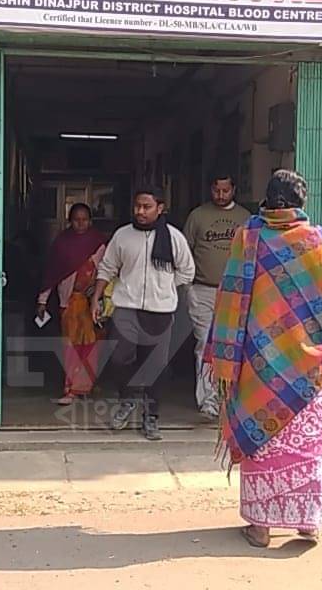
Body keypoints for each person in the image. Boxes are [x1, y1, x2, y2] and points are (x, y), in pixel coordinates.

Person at [204, 169, 322, 548]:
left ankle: (261, 526)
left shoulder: (249, 238)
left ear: (266, 199)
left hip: (259, 364)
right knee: (309, 443)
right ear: (302, 204)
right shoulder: (316, 241)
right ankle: (308, 522)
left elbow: (230, 298)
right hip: (310, 369)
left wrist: (225, 358)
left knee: (265, 442)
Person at [92, 188, 196, 441]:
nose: (140, 211)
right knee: (119, 358)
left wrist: (166, 289)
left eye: (146, 206)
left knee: (155, 366)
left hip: (160, 311)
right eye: (137, 206)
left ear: (160, 208)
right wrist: (96, 297)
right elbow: (107, 267)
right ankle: (126, 400)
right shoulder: (122, 236)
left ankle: (151, 417)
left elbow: (187, 271)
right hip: (126, 308)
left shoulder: (173, 238)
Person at [183, 171, 250, 418]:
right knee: (204, 345)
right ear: (210, 189)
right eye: (216, 191)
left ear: (234, 189)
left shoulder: (245, 218)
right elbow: (184, 252)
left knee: (233, 346)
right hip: (202, 289)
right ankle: (208, 401)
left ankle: (230, 400)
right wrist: (186, 286)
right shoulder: (198, 216)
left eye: (225, 190)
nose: (221, 195)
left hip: (235, 292)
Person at [37, 203, 109, 405]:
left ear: (91, 221)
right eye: (76, 219)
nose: (80, 223)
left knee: (92, 346)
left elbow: (108, 270)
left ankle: (86, 386)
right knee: (71, 347)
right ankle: (71, 388)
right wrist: (42, 301)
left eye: (84, 219)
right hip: (68, 302)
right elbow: (51, 273)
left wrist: (97, 291)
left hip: (93, 303)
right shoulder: (62, 243)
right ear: (70, 220)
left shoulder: (99, 243)